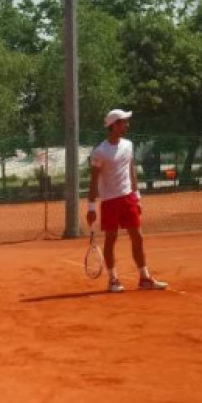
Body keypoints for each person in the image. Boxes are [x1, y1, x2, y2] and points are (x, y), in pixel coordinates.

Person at [86, 109, 167, 294]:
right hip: (110, 201)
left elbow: (131, 171)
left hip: (128, 197)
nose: (127, 125)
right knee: (111, 239)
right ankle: (113, 280)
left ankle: (144, 278)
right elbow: (93, 181)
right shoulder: (100, 152)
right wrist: (91, 207)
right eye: (124, 122)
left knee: (138, 236)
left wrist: (137, 197)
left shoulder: (129, 145)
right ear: (114, 125)